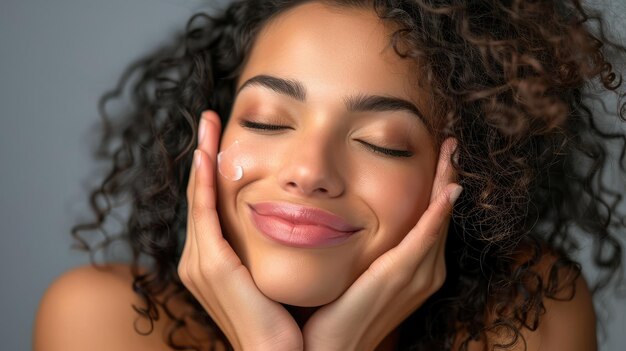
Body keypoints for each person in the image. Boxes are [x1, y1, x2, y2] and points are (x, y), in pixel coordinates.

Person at [34, 0, 625, 350]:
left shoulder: (529, 315)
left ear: (472, 175)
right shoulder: (104, 321)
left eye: (382, 143)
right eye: (266, 122)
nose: (309, 171)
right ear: (206, 138)